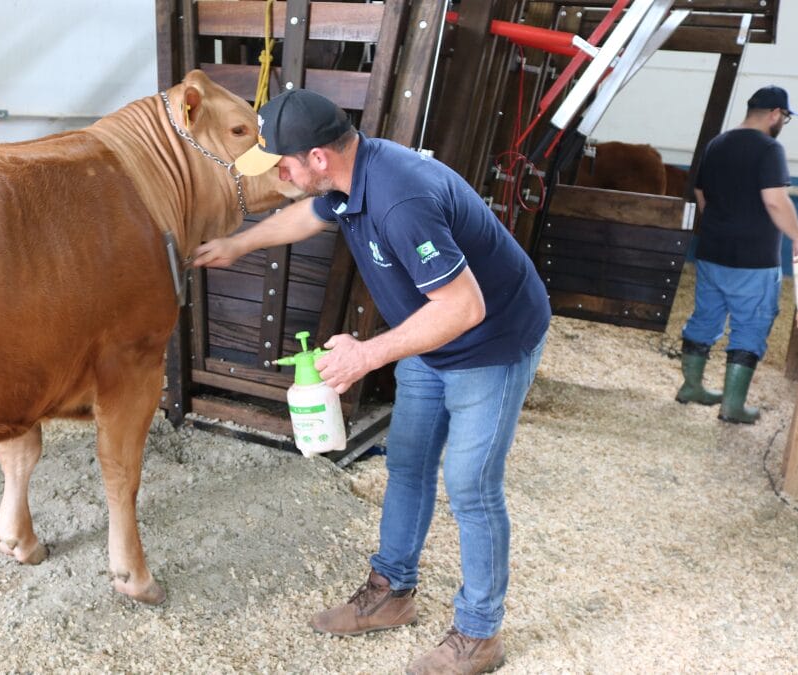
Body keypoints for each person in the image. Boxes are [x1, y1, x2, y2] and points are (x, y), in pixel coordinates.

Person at [193, 89, 550, 675]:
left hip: (492, 341)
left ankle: (480, 634)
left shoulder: (399, 198)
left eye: (281, 163)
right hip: (430, 335)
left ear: (317, 157)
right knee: (408, 463)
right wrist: (239, 244)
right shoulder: (346, 179)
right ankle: (392, 592)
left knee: (470, 486)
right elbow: (310, 213)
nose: (276, 174)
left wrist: (368, 355)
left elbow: (463, 308)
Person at [678, 85, 798, 424]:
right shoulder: (769, 148)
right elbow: (775, 201)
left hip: (710, 252)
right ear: (776, 114)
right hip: (753, 259)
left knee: (705, 317)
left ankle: (692, 387)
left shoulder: (717, 144)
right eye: (786, 117)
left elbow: (701, 193)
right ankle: (732, 407)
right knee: (750, 325)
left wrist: (719, 226)